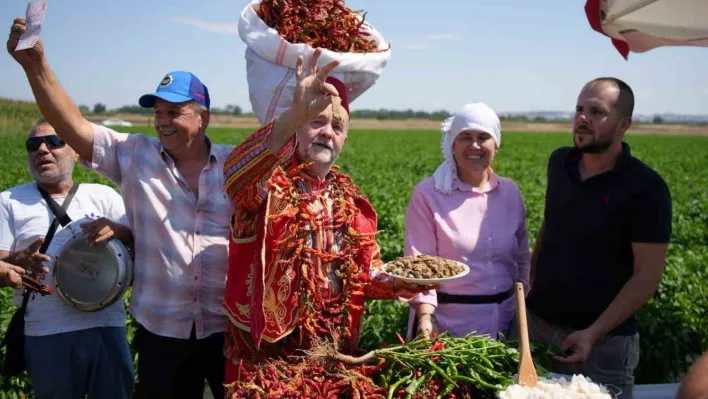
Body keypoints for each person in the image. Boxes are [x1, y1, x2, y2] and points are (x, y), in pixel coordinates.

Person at [8, 18, 233, 399]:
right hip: (163, 332)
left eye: (174, 112)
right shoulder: (134, 156)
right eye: (158, 112)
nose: (162, 122)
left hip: (228, 329)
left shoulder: (235, 165)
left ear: (203, 116)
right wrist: (35, 65)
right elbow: (72, 124)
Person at [221, 48, 435, 392]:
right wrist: (293, 114)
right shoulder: (266, 185)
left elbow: (364, 274)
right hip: (268, 355)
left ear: (345, 139)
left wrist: (397, 284)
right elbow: (234, 174)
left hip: (334, 352)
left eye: (337, 126)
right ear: (297, 128)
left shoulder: (352, 202)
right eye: (316, 122)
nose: (327, 133)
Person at [516, 77, 672, 399]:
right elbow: (551, 223)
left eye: (596, 112)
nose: (582, 118)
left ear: (623, 124)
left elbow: (646, 277)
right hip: (541, 328)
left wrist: (592, 333)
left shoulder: (646, 188)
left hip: (604, 346)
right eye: (579, 109)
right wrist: (532, 278)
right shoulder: (560, 163)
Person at [0, 119, 134, 399]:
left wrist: (119, 230)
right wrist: (16, 260)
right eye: (33, 145)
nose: (43, 150)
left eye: (55, 142)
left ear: (76, 151)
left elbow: (139, 247)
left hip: (106, 326)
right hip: (47, 331)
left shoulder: (103, 195)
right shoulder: (9, 201)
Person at [403, 103, 530, 341]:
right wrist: (425, 318)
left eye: (483, 137)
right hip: (447, 326)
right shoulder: (430, 195)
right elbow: (419, 262)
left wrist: (522, 306)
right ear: (452, 143)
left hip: (505, 322)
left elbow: (521, 256)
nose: (474, 145)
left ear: (496, 144)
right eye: (465, 137)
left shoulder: (510, 193)